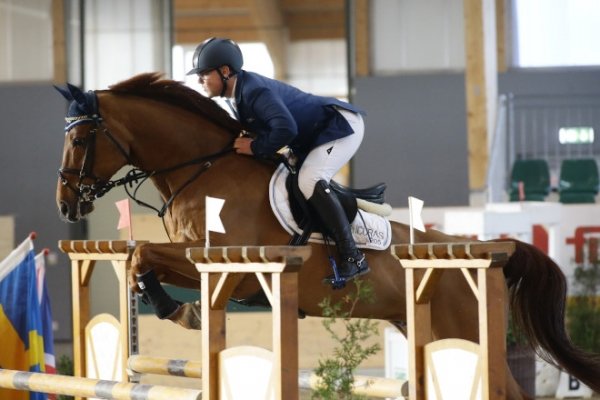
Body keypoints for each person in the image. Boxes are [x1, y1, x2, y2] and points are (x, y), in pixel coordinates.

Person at [187, 37, 369, 283]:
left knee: (309, 180)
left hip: (340, 127)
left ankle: (353, 257)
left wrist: (255, 147)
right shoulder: (235, 98)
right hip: (312, 135)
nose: (199, 80)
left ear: (226, 71)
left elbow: (286, 130)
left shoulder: (254, 91)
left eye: (204, 74)